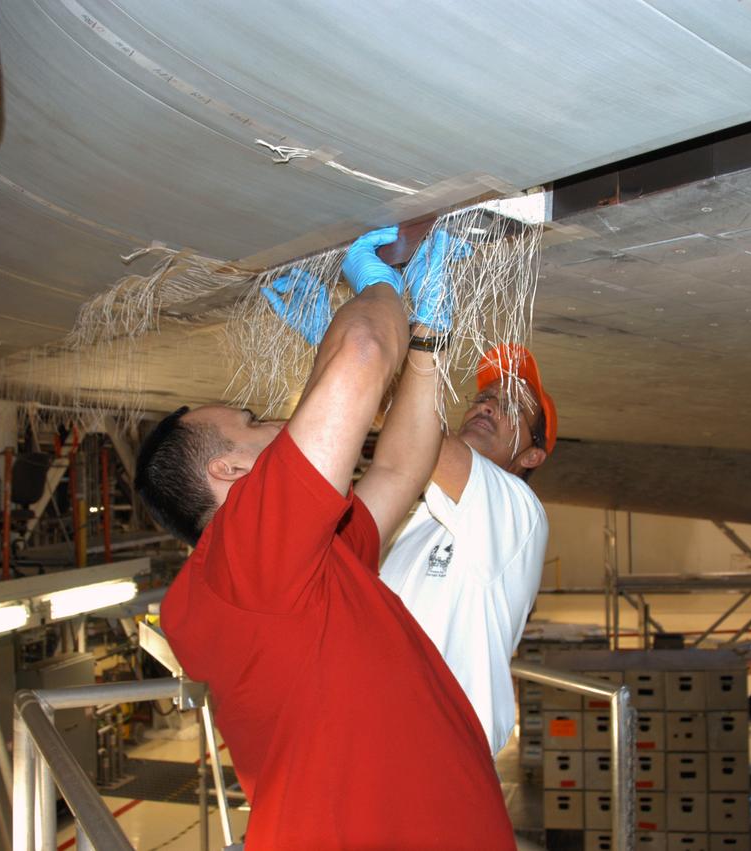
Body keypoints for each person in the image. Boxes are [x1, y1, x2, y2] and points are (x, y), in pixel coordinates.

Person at [135, 227, 515, 850]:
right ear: (230, 473)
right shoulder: (244, 557)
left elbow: (398, 470)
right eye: (253, 425)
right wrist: (377, 291)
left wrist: (427, 341)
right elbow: (363, 349)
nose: (279, 423)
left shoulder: (294, 567)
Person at [379, 342, 556, 755]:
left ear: (532, 455)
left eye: (513, 407)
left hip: (441, 751)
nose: (489, 406)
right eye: (484, 398)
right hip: (380, 740)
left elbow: (419, 434)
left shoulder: (517, 512)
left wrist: (368, 359)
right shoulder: (420, 517)